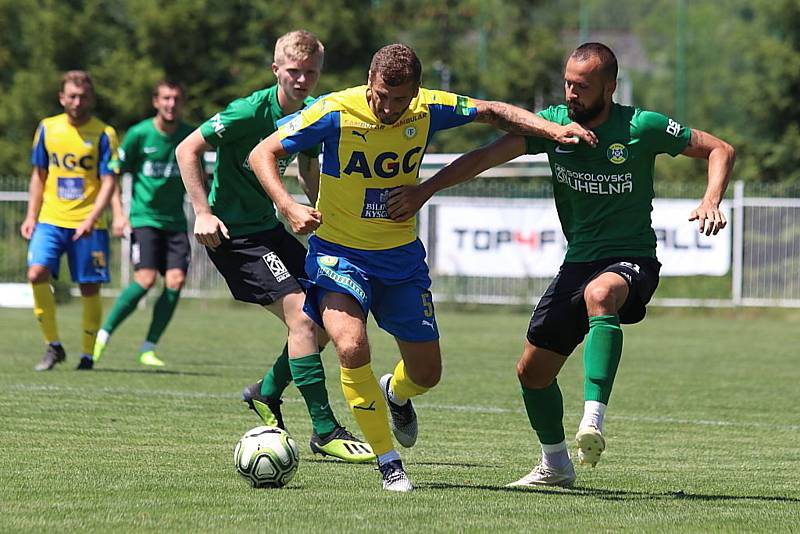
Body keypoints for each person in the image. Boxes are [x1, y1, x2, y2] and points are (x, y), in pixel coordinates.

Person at [248, 43, 596, 491]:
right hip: (339, 255)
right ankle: (389, 463)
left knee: (428, 374)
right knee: (352, 347)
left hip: (401, 261)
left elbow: (491, 111)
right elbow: (263, 153)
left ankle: (396, 392)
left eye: (400, 99)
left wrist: (552, 128)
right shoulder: (334, 111)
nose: (390, 108)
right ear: (370, 82)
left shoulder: (428, 107)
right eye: (381, 96)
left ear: (416, 92)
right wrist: (288, 206)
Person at [386, 42, 736, 488]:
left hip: (632, 258)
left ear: (609, 87)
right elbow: (483, 157)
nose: (571, 93)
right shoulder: (551, 125)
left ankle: (593, 420)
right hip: (578, 261)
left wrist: (710, 199)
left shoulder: (641, 126)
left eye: (582, 86)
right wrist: (425, 189)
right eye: (568, 83)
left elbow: (719, 149)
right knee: (531, 373)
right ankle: (555, 464)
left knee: (600, 294)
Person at [175, 30, 374, 464]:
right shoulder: (248, 112)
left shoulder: (307, 115)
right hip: (236, 236)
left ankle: (265, 393)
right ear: (276, 71)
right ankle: (324, 429)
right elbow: (187, 148)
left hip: (268, 229)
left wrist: (324, 215)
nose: (303, 80)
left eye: (311, 73)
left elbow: (307, 169)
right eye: (295, 72)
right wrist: (202, 212)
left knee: (327, 316)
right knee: (303, 319)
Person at [89, 80, 194, 369]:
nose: (170, 104)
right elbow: (112, 174)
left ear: (182, 103)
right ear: (155, 102)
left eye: (176, 99)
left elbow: (202, 177)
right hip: (144, 219)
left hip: (175, 222)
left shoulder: (189, 137)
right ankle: (103, 335)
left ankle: (148, 348)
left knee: (176, 281)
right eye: (165, 98)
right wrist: (119, 215)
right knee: (145, 279)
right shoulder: (139, 134)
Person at [21, 70, 121, 371]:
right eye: (72, 96)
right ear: (62, 97)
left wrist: (92, 217)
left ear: (91, 98)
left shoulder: (105, 133)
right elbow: (39, 176)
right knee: (36, 274)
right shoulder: (47, 129)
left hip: (89, 225)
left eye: (83, 96)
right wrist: (30, 215)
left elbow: (108, 181)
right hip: (51, 219)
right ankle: (53, 345)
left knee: (89, 287)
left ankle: (87, 355)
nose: (78, 101)